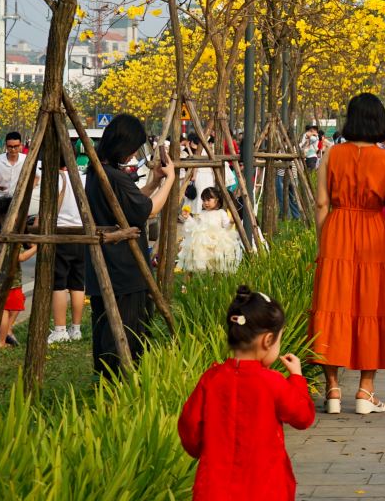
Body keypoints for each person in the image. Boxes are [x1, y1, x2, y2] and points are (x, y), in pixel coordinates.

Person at [179, 285, 315, 501]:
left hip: (215, 488)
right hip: (263, 490)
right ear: (267, 340)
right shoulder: (273, 383)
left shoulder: (212, 379)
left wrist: (207, 449)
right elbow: (302, 416)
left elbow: (190, 430)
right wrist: (297, 378)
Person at [310, 92, 385, 414]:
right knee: (371, 305)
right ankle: (365, 391)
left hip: (337, 229)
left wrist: (324, 243)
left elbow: (322, 203)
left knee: (331, 304)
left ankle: (333, 389)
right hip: (373, 235)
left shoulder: (331, 155)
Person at [85, 114, 178, 377]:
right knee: (128, 329)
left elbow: (129, 205)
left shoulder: (98, 172)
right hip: (124, 266)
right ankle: (122, 380)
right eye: (133, 146)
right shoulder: (115, 176)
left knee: (105, 327)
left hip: (102, 264)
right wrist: (170, 179)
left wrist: (154, 182)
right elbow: (146, 211)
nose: (134, 153)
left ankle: (105, 379)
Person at [47, 157, 88, 344]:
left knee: (59, 284)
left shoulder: (53, 178)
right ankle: (76, 328)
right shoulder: (82, 177)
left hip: (60, 234)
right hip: (81, 234)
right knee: (78, 283)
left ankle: (60, 329)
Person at [178, 186, 246, 274]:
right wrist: (188, 218)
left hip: (216, 244)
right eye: (204, 200)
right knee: (197, 262)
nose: (206, 203)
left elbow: (226, 226)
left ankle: (215, 285)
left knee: (217, 265)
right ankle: (190, 284)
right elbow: (196, 226)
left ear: (217, 200)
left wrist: (231, 222)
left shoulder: (221, 213)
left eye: (208, 200)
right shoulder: (201, 213)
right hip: (203, 245)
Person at [0, 219, 39, 348]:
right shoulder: (12, 237)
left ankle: (6, 332)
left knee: (12, 305)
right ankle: (2, 341)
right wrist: (37, 247)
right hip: (12, 281)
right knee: (8, 309)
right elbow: (20, 257)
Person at [0, 131, 26, 256]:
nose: (13, 150)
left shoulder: (26, 160)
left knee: (16, 229)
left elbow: (36, 177)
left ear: (20, 146)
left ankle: (14, 256)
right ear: (6, 147)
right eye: (10, 147)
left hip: (17, 200)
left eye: (15, 146)